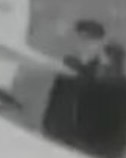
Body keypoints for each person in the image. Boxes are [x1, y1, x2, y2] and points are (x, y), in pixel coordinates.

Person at [42, 18, 107, 146]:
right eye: (81, 38)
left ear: (99, 43)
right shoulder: (69, 63)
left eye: (89, 39)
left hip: (81, 140)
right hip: (54, 132)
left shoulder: (101, 72)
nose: (83, 43)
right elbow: (55, 96)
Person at [76, 41, 126, 158]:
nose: (102, 65)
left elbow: (125, 119)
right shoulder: (93, 83)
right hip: (91, 144)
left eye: (106, 61)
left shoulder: (123, 87)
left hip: (105, 147)